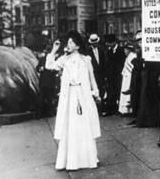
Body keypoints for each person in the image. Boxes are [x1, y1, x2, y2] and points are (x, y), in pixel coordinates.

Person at [45, 30, 101, 171]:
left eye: (71, 42)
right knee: (70, 126)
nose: (68, 45)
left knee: (84, 126)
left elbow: (91, 77)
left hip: (83, 95)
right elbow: (49, 66)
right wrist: (54, 50)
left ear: (77, 45)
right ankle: (70, 161)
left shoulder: (86, 60)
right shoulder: (64, 60)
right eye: (68, 42)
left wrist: (96, 93)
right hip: (69, 97)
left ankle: (87, 159)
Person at [102, 34, 126, 115]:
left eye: (108, 43)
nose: (107, 44)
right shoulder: (108, 51)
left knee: (118, 91)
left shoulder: (121, 50)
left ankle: (118, 108)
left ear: (113, 42)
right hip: (110, 76)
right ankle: (111, 109)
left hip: (118, 75)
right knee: (110, 92)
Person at [118, 43, 137, 115]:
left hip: (130, 77)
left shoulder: (133, 56)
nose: (124, 51)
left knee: (128, 92)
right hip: (126, 77)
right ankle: (124, 109)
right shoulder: (128, 57)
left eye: (126, 49)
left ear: (129, 50)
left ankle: (129, 110)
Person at [87, 33, 107, 102]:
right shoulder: (87, 51)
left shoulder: (101, 50)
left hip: (101, 76)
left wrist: (104, 75)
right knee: (93, 93)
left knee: (101, 92)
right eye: (93, 43)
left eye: (96, 43)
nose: (95, 44)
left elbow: (104, 62)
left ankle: (101, 109)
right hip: (93, 75)